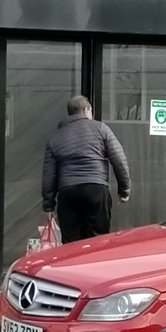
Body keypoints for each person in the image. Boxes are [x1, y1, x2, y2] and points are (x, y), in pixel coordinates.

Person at [42, 95, 131, 243]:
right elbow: (119, 160)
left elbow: (49, 175)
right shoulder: (101, 129)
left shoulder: (55, 137)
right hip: (96, 190)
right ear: (87, 110)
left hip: (68, 193)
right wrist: (124, 190)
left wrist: (48, 206)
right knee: (98, 242)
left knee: (71, 245)